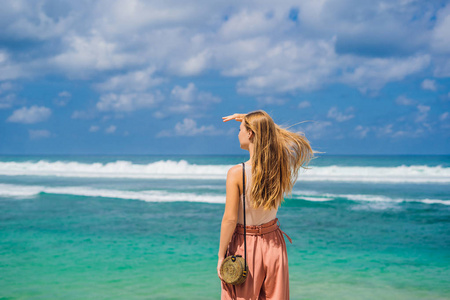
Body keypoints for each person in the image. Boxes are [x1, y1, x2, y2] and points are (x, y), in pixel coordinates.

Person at [218, 110, 317, 300]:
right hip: (274, 244)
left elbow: (230, 219)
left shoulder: (237, 172)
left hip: (244, 245)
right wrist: (251, 120)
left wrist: (221, 256)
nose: (237, 134)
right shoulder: (279, 166)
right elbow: (271, 134)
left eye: (240, 129)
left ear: (250, 134)